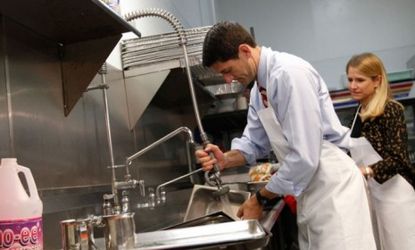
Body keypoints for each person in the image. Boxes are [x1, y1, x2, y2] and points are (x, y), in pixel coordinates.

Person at [196, 21, 376, 250]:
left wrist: (260, 198)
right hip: (309, 190)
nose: (228, 80)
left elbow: (304, 156)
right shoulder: (258, 91)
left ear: (245, 51)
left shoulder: (289, 74)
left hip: (333, 186)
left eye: (228, 71)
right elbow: (254, 143)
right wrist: (226, 159)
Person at [346, 52, 415, 250]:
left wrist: (365, 171)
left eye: (360, 80)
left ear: (377, 80)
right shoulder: (358, 113)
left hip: (397, 195)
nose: (353, 85)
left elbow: (398, 159)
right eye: (350, 79)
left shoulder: (391, 110)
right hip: (373, 194)